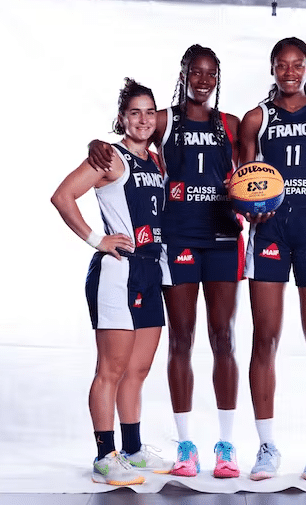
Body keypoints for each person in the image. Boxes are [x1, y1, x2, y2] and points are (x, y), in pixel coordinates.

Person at [88, 45, 243, 479]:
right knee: (181, 339)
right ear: (183, 74)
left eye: (210, 73)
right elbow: (128, 138)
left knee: (223, 338)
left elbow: (252, 172)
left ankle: (226, 444)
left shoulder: (229, 124)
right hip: (176, 243)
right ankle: (185, 444)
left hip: (223, 237)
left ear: (218, 77)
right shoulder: (164, 120)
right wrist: (96, 145)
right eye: (195, 71)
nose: (203, 79)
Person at [51, 78, 170, 486]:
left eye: (149, 112)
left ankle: (133, 449)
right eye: (135, 112)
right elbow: (62, 196)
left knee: (138, 369)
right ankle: (105, 456)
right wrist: (96, 239)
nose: (143, 119)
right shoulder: (110, 157)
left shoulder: (156, 161)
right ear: (122, 118)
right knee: (111, 370)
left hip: (150, 271)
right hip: (118, 272)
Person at [238, 36, 306, 481]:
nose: (289, 71)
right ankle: (266, 447)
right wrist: (249, 207)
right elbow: (241, 180)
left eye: (297, 64)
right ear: (272, 68)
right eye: (282, 64)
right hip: (270, 231)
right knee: (265, 338)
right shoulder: (257, 118)